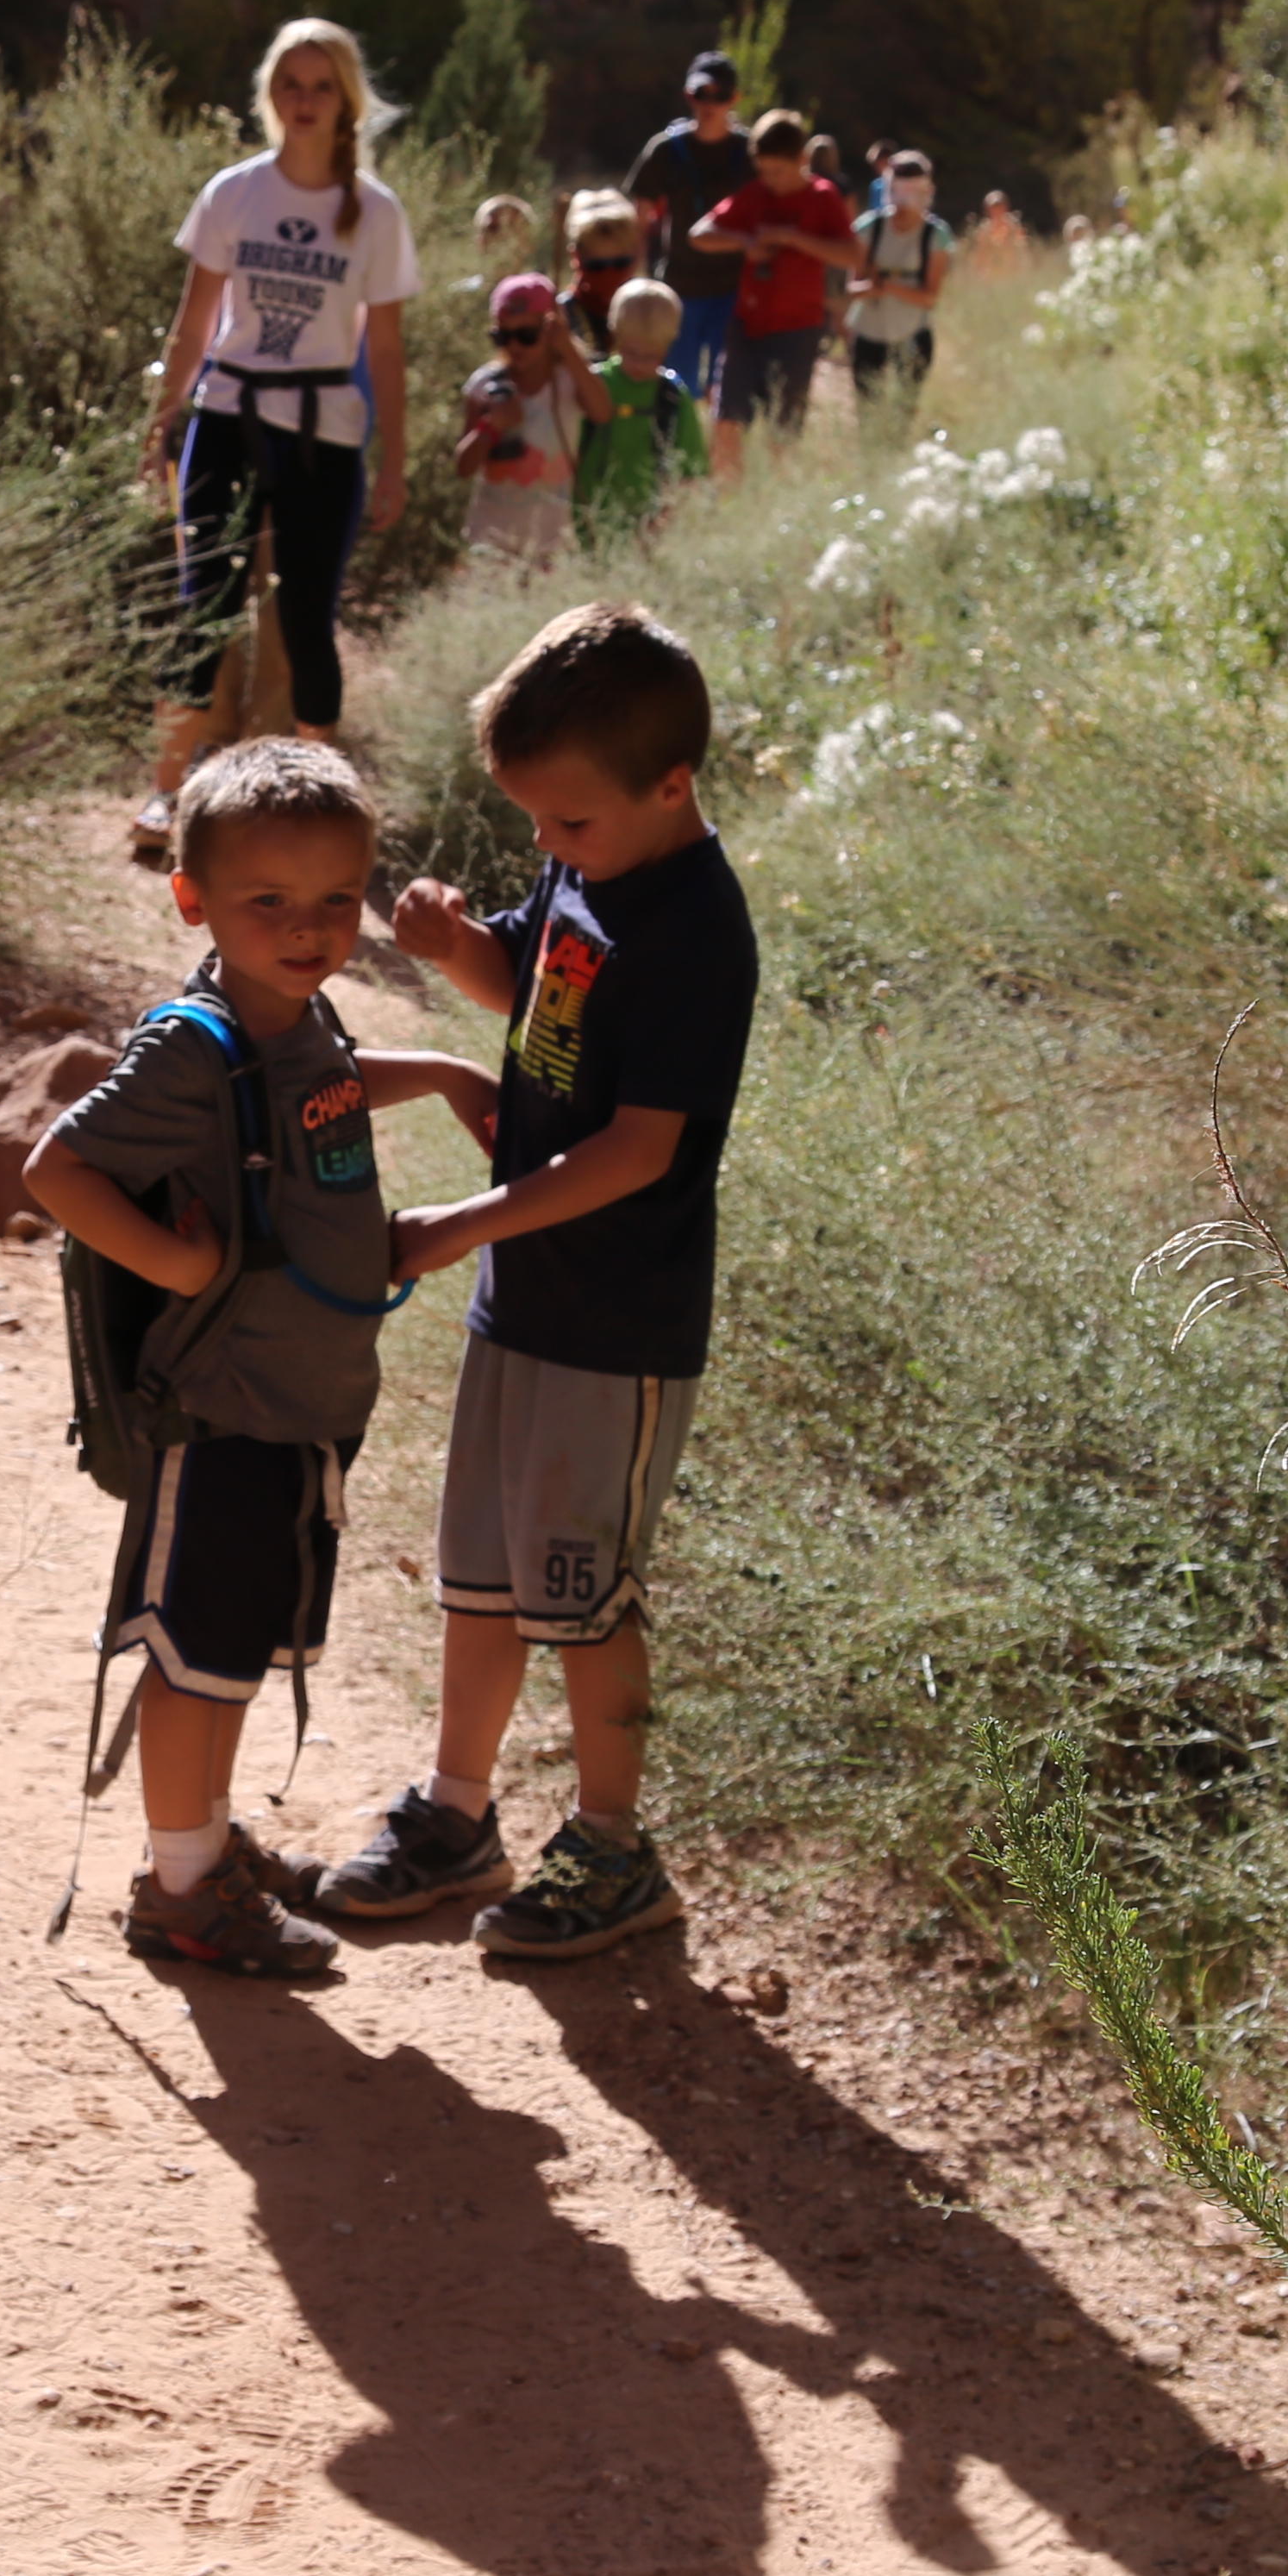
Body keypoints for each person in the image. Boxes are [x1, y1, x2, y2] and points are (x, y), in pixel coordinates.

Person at [317, 605, 754, 1961]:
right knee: (486, 1579)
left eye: (567, 825)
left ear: (669, 785)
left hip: (615, 1323)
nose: (547, 851)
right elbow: (534, 991)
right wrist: (457, 947)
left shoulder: (694, 930)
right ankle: (458, 1814)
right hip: (528, 1294)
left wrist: (462, 1222)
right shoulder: (594, 874)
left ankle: (618, 1852)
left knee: (586, 1593)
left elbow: (639, 1149)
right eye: (535, 828)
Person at [28, 740, 498, 1975]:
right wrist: (179, 1266)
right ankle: (183, 1891)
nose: (308, 930)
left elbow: (323, 1088)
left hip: (300, 1405)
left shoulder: (297, 1016)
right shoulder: (195, 1046)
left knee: (237, 1648)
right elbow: (54, 1169)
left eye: (338, 902)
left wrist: (445, 1073)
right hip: (225, 1408)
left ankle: (204, 1844)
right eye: (269, 905)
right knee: (202, 1655)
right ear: (192, 899)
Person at [134, 18, 416, 867]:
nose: (304, 100)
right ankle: (168, 787)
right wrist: (161, 426)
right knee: (204, 603)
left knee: (307, 618)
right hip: (227, 415)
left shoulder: (374, 214)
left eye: (320, 85)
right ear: (269, 96)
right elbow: (194, 324)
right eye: (290, 84)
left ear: (346, 102)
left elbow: (388, 349)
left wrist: (396, 460)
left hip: (324, 430)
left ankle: (323, 807)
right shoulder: (235, 193)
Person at [685, 108, 854, 473]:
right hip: (748, 326)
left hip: (798, 330)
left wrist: (795, 238)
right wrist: (745, 241)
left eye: (778, 171)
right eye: (763, 171)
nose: (770, 180)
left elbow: (850, 253)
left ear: (803, 160)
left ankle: (776, 503)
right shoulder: (755, 196)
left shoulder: (823, 198)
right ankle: (727, 501)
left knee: (784, 429)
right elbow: (699, 234)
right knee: (727, 420)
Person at [621, 53, 753, 426]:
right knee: (676, 385)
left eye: (719, 95)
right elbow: (640, 218)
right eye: (701, 94)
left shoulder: (749, 152)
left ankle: (719, 461)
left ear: (735, 98)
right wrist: (634, 279)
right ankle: (677, 455)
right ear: (688, 95)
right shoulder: (665, 150)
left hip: (734, 286)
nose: (710, 104)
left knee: (726, 387)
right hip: (680, 287)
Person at [455, 269, 604, 571]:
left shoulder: (567, 382)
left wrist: (568, 350)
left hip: (552, 543)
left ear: (551, 329)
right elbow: (463, 467)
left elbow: (602, 411)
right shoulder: (485, 386)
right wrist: (490, 426)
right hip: (493, 540)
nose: (515, 346)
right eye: (503, 335)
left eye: (527, 335)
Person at [572, 279, 706, 546]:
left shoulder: (673, 397)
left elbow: (691, 470)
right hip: (584, 518)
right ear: (615, 333)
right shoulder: (595, 384)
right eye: (631, 352)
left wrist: (665, 521)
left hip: (647, 530)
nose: (639, 364)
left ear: (671, 343)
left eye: (651, 356)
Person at [847, 148, 957, 398]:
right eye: (898, 190)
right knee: (869, 411)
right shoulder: (868, 228)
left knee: (904, 410)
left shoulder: (936, 235)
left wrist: (888, 286)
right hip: (868, 334)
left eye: (912, 192)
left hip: (913, 335)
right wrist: (870, 289)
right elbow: (851, 289)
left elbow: (930, 297)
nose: (904, 202)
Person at [560, 186, 644, 352]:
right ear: (576, 257)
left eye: (621, 263)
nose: (609, 275)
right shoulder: (563, 316)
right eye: (596, 266)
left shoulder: (645, 309)